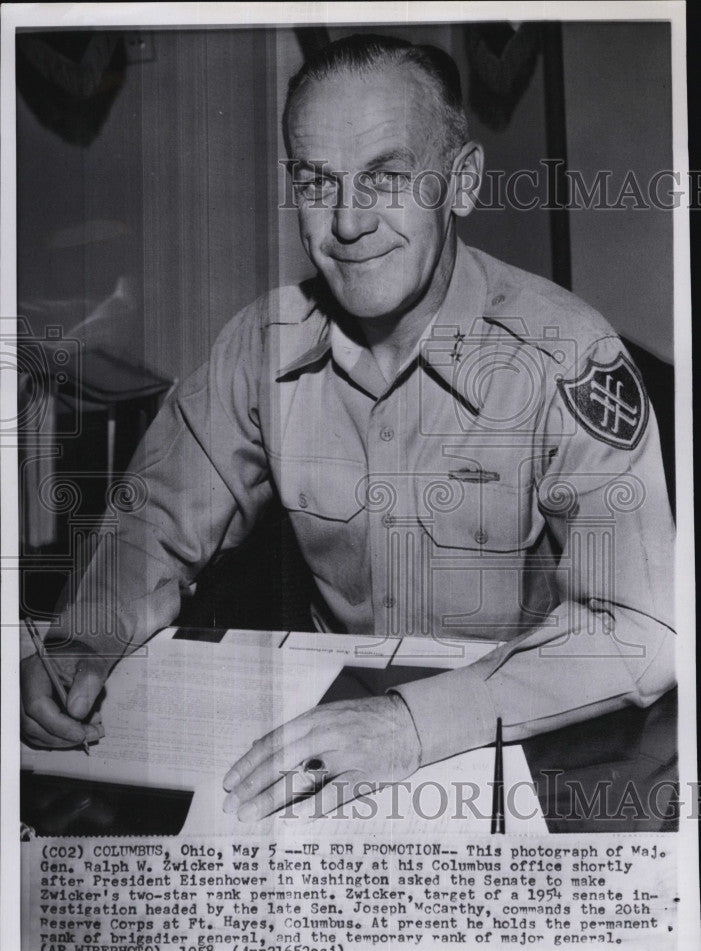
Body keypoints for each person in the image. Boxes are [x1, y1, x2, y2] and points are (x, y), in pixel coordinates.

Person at [20, 34, 675, 822]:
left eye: (386, 177)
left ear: (460, 183)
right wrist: (81, 641)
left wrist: (408, 724)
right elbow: (153, 521)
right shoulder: (260, 347)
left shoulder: (566, 356)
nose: (348, 221)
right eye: (316, 182)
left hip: (523, 738)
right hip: (321, 731)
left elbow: (638, 629)